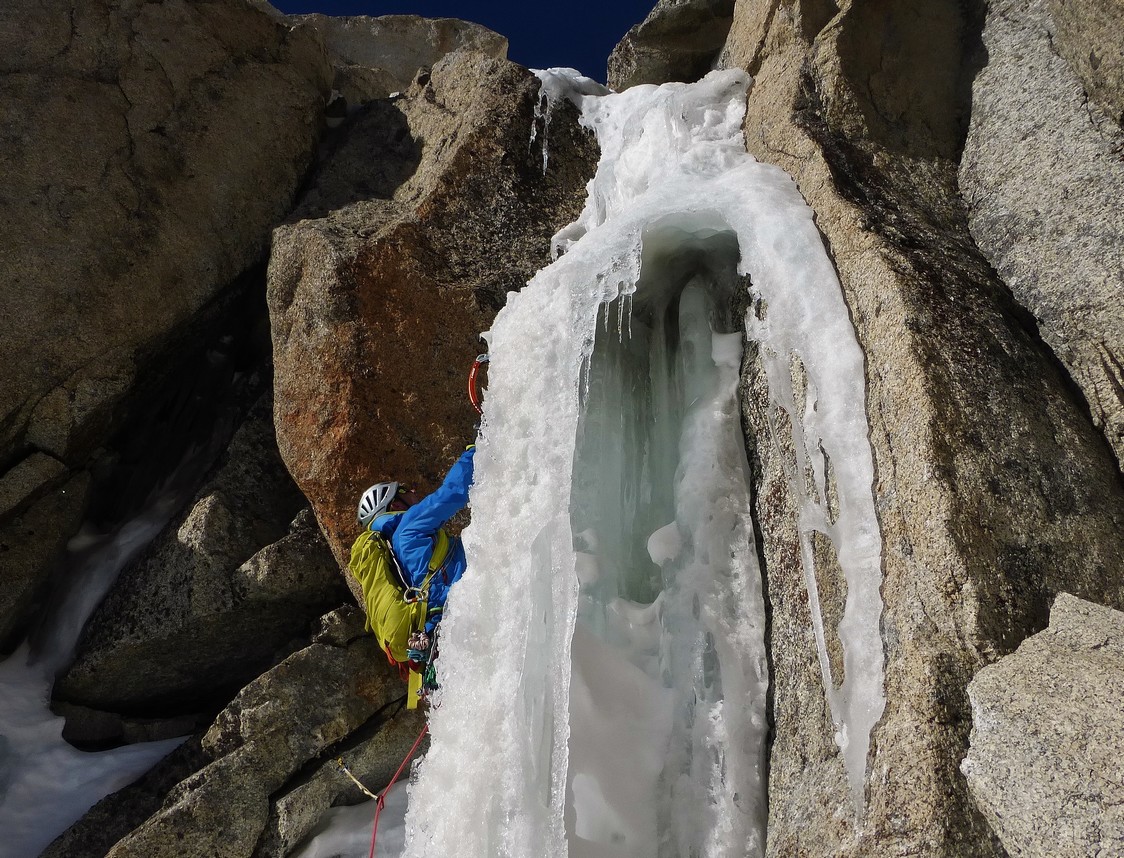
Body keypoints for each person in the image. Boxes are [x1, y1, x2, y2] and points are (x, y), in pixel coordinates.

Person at [356, 445, 476, 653]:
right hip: (464, 600)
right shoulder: (407, 528)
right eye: (403, 491)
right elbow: (450, 494)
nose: (412, 491)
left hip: (444, 620)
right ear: (394, 506)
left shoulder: (397, 546)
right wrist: (476, 451)